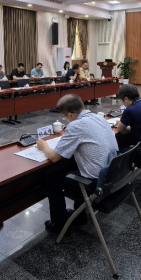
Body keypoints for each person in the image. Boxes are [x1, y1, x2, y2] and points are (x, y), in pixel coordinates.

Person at [37, 94, 119, 233]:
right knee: (77, 167)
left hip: (95, 184)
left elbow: (54, 157)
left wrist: (44, 146)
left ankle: (58, 225)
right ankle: (80, 216)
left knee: (52, 180)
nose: (66, 120)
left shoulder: (76, 125)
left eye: (64, 117)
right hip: (112, 176)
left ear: (70, 114)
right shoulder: (99, 117)